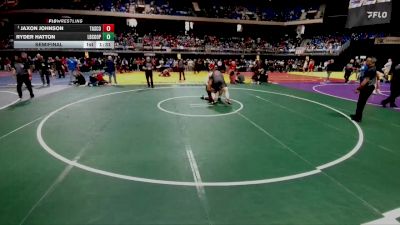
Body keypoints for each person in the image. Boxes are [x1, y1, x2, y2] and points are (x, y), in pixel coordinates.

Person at [350, 57, 377, 123]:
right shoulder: (372, 68)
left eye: (367, 61)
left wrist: (358, 88)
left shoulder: (370, 70)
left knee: (361, 103)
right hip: (368, 87)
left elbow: (364, 82)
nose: (366, 62)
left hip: (367, 88)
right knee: (360, 102)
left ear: (372, 62)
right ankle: (357, 115)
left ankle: (358, 118)